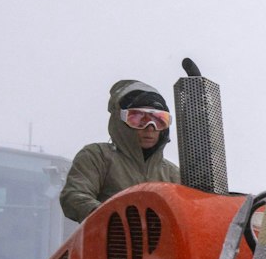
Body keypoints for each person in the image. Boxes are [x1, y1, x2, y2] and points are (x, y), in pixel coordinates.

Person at [59, 79, 181, 222]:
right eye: (138, 119)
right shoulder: (98, 157)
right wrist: (114, 220)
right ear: (120, 121)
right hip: (109, 243)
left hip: (162, 244)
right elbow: (74, 197)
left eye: (159, 120)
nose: (150, 127)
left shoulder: (172, 174)